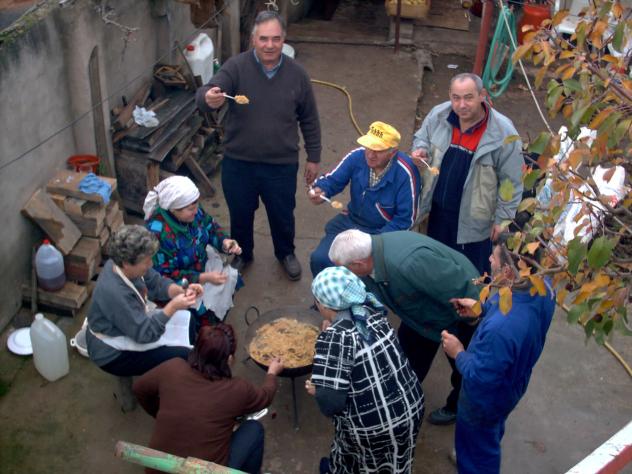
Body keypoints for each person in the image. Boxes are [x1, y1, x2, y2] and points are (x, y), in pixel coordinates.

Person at [411, 72, 524, 425]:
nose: (461, 105)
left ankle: (461, 393)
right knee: (432, 290)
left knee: (468, 308)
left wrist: (502, 220)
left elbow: (512, 183)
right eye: (456, 97)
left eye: (468, 98)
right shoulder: (439, 115)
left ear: (483, 96)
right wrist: (420, 150)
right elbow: (421, 136)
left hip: (473, 233)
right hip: (437, 220)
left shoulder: (503, 133)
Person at [196, 10, 322, 281]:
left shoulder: (297, 75)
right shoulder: (236, 67)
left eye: (275, 39)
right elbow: (209, 91)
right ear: (253, 39)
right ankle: (243, 254)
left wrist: (314, 157)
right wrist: (208, 97)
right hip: (239, 162)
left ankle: (286, 253)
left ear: (284, 39)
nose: (269, 45)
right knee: (240, 214)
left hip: (281, 164)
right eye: (263, 38)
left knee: (282, 214)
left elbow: (310, 118)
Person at [442, 235, 555, 473]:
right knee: (490, 432)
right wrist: (481, 309)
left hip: (484, 399)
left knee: (478, 450)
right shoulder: (543, 287)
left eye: (494, 257)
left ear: (508, 271)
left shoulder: (500, 329)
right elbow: (508, 310)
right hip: (513, 382)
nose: (489, 259)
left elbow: (480, 376)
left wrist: (458, 352)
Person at [306, 266, 424, 474]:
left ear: (324, 305)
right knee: (395, 458)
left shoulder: (334, 338)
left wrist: (318, 390)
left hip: (374, 425)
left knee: (359, 461)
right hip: (411, 406)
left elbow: (331, 404)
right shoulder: (372, 313)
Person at [328, 229, 479, 385]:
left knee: (465, 374)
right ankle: (407, 392)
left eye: (344, 269)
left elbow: (458, 292)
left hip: (460, 313)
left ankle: (458, 399)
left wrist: (471, 324)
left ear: (359, 264)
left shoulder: (410, 263)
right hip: (420, 315)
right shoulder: (370, 256)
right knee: (405, 365)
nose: (343, 274)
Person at [133, 324, 283, 474]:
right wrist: (272, 373)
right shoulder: (236, 389)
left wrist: (159, 413)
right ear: (229, 359)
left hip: (159, 469)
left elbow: (139, 388)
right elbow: (265, 396)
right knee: (254, 429)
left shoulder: (172, 368)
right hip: (206, 471)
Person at [86, 225, 202, 377]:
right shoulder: (115, 293)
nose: (151, 265)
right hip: (111, 353)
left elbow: (155, 282)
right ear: (127, 263)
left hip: (131, 324)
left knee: (189, 319)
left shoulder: (122, 265)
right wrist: (173, 306)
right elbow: (146, 334)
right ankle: (168, 381)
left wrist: (178, 290)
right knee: (183, 355)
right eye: (146, 261)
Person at [308, 121, 421, 277]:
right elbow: (332, 181)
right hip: (350, 221)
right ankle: (323, 292)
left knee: (363, 275)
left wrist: (373, 242)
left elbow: (405, 220)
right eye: (369, 146)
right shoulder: (357, 156)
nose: (370, 154)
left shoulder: (406, 173)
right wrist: (321, 190)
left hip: (381, 234)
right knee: (320, 259)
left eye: (378, 150)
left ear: (393, 152)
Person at [144, 176, 242, 340]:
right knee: (202, 313)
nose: (196, 211)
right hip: (180, 283)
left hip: (201, 265)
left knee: (229, 280)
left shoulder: (193, 210)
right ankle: (204, 336)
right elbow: (163, 276)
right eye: (190, 209)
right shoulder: (157, 234)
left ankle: (215, 323)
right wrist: (202, 278)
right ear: (173, 209)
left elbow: (210, 227)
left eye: (196, 205)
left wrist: (224, 242)